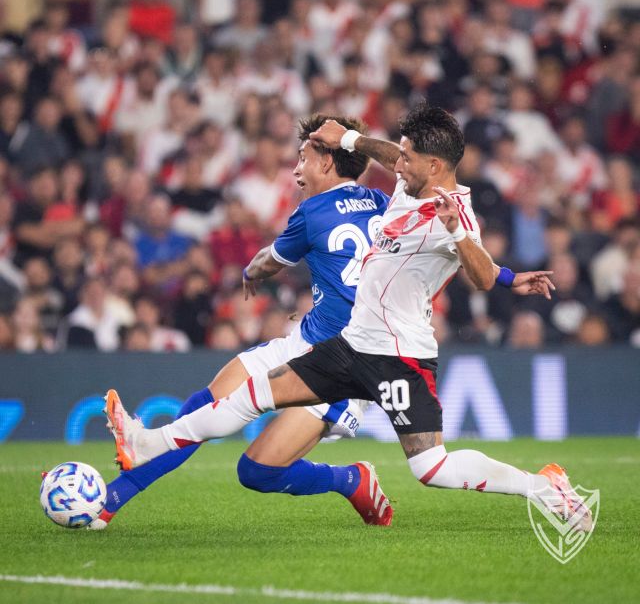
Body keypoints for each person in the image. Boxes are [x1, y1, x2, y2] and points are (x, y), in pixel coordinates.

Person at [106, 105, 593, 532]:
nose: (396, 164)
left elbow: (480, 275)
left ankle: (542, 486)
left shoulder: (454, 214)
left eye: (407, 157)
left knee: (431, 467)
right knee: (250, 396)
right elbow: (391, 157)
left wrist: (468, 244)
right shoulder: (405, 187)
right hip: (349, 344)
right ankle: (147, 443)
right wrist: (352, 140)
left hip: (397, 357)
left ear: (434, 166)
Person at [94, 114, 393, 529]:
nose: (296, 169)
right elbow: (409, 169)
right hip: (305, 340)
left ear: (326, 161)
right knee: (204, 408)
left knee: (257, 472)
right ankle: (110, 500)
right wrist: (356, 141)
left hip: (341, 369)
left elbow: (267, 262)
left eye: (303, 158)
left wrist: (251, 270)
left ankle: (351, 479)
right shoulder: (382, 201)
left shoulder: (312, 212)